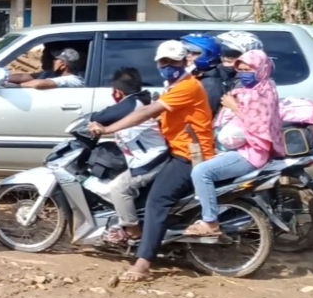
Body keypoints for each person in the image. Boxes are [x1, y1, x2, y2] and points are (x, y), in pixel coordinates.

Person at [89, 40, 215, 282]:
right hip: (176, 149)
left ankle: (143, 264)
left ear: (184, 61)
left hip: (190, 155)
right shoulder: (175, 85)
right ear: (157, 63)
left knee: (158, 202)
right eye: (163, 62)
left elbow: (146, 112)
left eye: (173, 62)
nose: (168, 66)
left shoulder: (187, 87)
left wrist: (107, 129)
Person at [185, 50, 282, 237]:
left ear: (261, 69)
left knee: (201, 172)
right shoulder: (260, 89)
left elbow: (257, 125)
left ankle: (210, 223)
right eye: (241, 70)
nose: (244, 74)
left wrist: (233, 106)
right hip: (242, 148)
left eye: (249, 70)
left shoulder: (261, 95)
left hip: (251, 153)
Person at [91, 68, 168, 245]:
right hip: (146, 156)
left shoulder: (131, 105)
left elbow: (103, 116)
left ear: (117, 92)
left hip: (150, 160)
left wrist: (95, 122)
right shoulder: (138, 100)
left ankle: (133, 230)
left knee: (118, 188)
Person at [180, 34, 228, 115]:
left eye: (195, 53)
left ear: (208, 55)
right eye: (187, 52)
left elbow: (204, 114)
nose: (188, 56)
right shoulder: (199, 77)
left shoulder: (210, 84)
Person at [7, 48, 84, 89]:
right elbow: (30, 77)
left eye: (56, 59)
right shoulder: (51, 73)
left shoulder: (73, 80)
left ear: (63, 65)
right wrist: (6, 78)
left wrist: (15, 86)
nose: (53, 61)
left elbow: (39, 84)